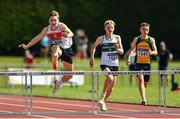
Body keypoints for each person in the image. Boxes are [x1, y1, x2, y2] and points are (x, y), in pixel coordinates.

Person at [18, 10, 74, 94]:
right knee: (55, 47)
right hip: (56, 47)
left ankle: (58, 83)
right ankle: (56, 56)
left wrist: (67, 35)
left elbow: (71, 33)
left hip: (67, 48)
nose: (53, 22)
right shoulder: (47, 29)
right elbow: (37, 38)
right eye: (51, 20)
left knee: (71, 75)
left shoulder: (62, 26)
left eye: (55, 20)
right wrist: (27, 46)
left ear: (58, 20)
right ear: (49, 20)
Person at [89, 20, 124, 111]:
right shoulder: (101, 38)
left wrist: (117, 49)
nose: (110, 29)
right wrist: (92, 58)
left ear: (114, 28)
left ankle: (102, 101)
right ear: (105, 28)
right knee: (110, 78)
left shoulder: (117, 38)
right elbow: (93, 47)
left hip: (115, 64)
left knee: (111, 88)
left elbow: (122, 51)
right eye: (108, 27)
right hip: (104, 64)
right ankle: (102, 96)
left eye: (112, 27)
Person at [130, 22, 158, 105]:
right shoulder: (137, 39)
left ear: (149, 30)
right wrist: (133, 44)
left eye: (147, 29)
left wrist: (151, 52)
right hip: (138, 63)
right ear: (140, 30)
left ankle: (143, 97)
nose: (145, 31)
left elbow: (156, 52)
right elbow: (132, 48)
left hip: (147, 64)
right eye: (143, 29)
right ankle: (144, 99)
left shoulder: (151, 39)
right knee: (141, 79)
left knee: (145, 83)